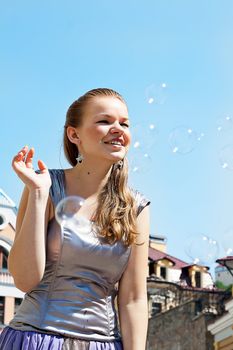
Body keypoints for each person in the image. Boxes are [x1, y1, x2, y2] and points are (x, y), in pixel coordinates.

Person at [0, 88, 150, 350]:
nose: (118, 129)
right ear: (74, 134)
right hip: (35, 340)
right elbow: (24, 280)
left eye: (124, 123)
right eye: (105, 121)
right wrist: (37, 193)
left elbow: (133, 299)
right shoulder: (45, 186)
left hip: (102, 344)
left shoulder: (135, 207)